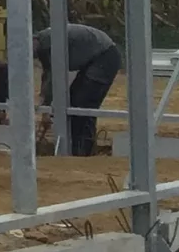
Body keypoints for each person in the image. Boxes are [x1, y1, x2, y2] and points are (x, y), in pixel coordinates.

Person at [37, 23, 122, 157]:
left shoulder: (49, 43)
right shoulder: (43, 42)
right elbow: (48, 74)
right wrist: (45, 107)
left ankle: (81, 151)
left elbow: (53, 75)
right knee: (74, 102)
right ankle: (80, 147)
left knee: (81, 104)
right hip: (93, 59)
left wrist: (46, 107)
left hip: (105, 57)